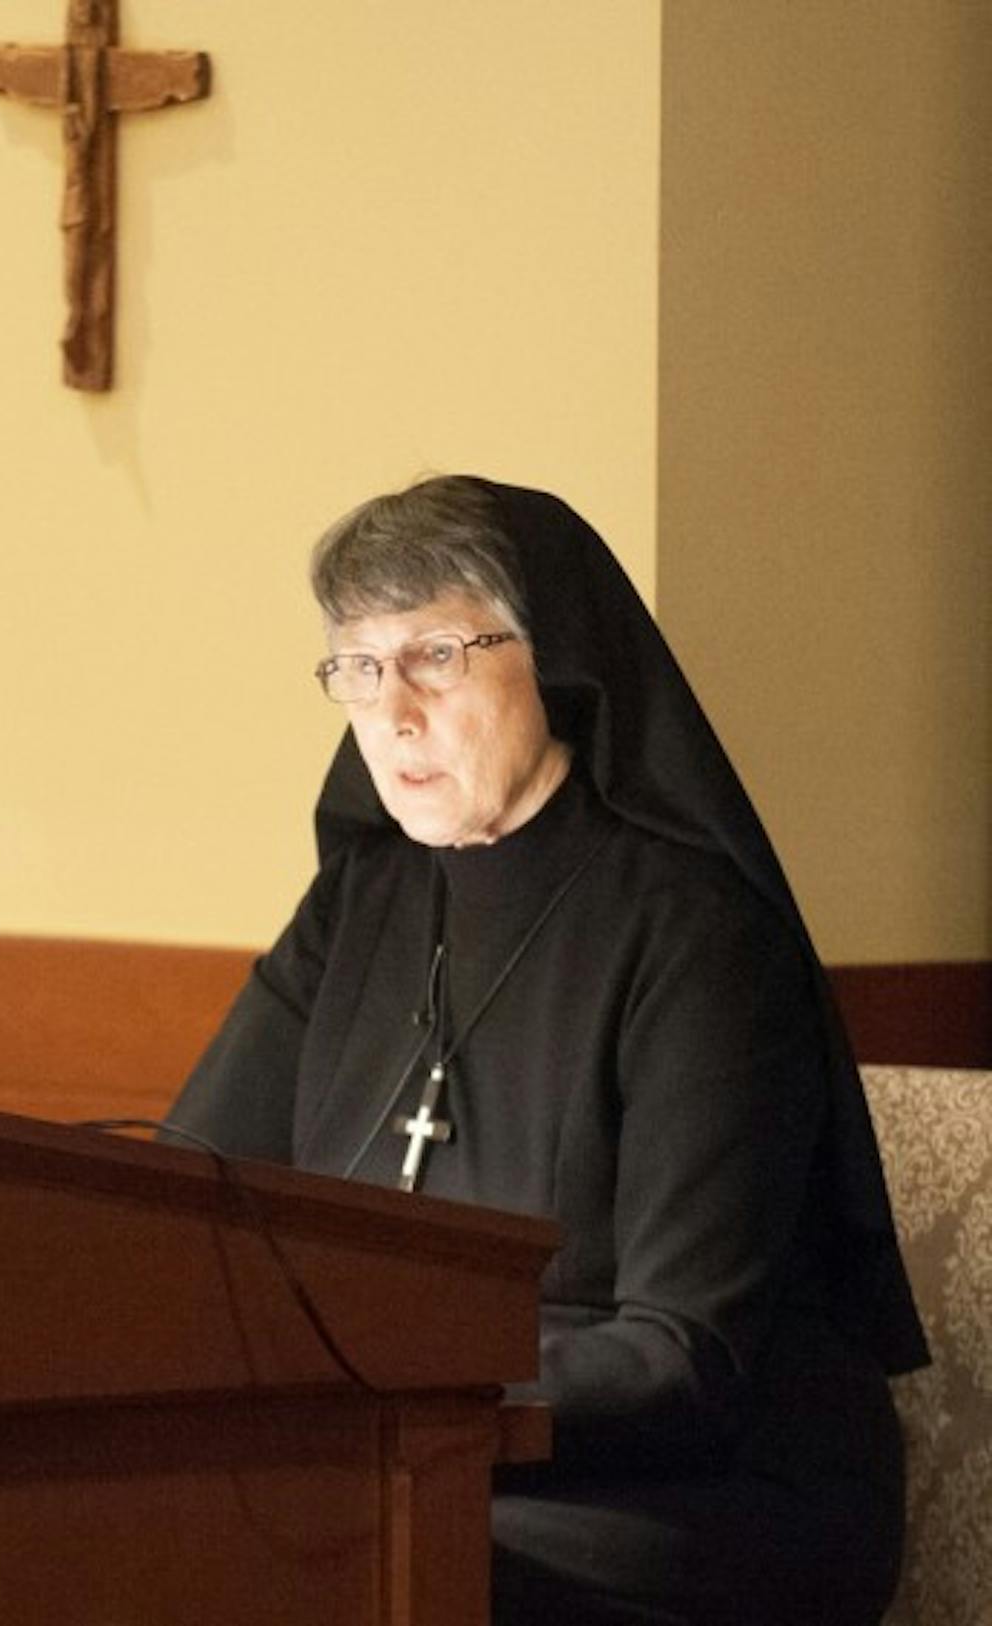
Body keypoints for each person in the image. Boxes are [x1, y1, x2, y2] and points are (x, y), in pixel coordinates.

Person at [166, 475, 926, 1624]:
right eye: (358, 668)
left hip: (692, 1491)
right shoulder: (358, 902)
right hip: (414, 1441)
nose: (393, 714)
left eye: (434, 656)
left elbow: (680, 1361)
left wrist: (376, 1395)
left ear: (554, 659)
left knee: (335, 1554)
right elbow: (186, 1193)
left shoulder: (695, 931)